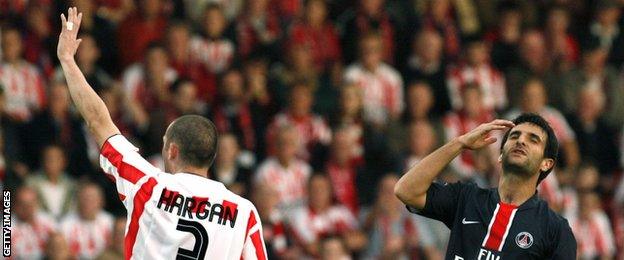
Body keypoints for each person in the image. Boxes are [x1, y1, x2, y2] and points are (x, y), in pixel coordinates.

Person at [57, 7, 267, 259]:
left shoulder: (148, 185)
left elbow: (97, 121)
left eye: (165, 141)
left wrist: (68, 60)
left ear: (172, 150)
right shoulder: (244, 212)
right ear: (211, 157)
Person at [394, 113, 577, 259]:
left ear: (546, 164)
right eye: (514, 136)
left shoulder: (555, 229)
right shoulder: (466, 198)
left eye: (533, 140)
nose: (521, 141)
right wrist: (460, 143)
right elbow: (406, 190)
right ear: (500, 156)